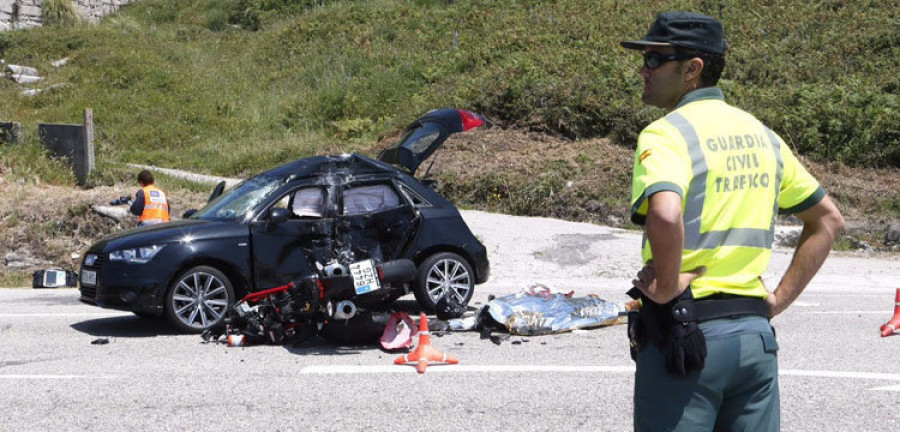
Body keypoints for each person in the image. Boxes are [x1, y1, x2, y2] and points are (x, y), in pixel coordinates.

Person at [620, 12, 845, 431]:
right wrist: (777, 299)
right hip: (754, 338)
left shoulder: (665, 134)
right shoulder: (763, 135)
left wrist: (666, 289)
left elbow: (666, 214)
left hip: (687, 339)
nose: (643, 69)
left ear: (693, 68)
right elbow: (828, 221)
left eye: (655, 58)